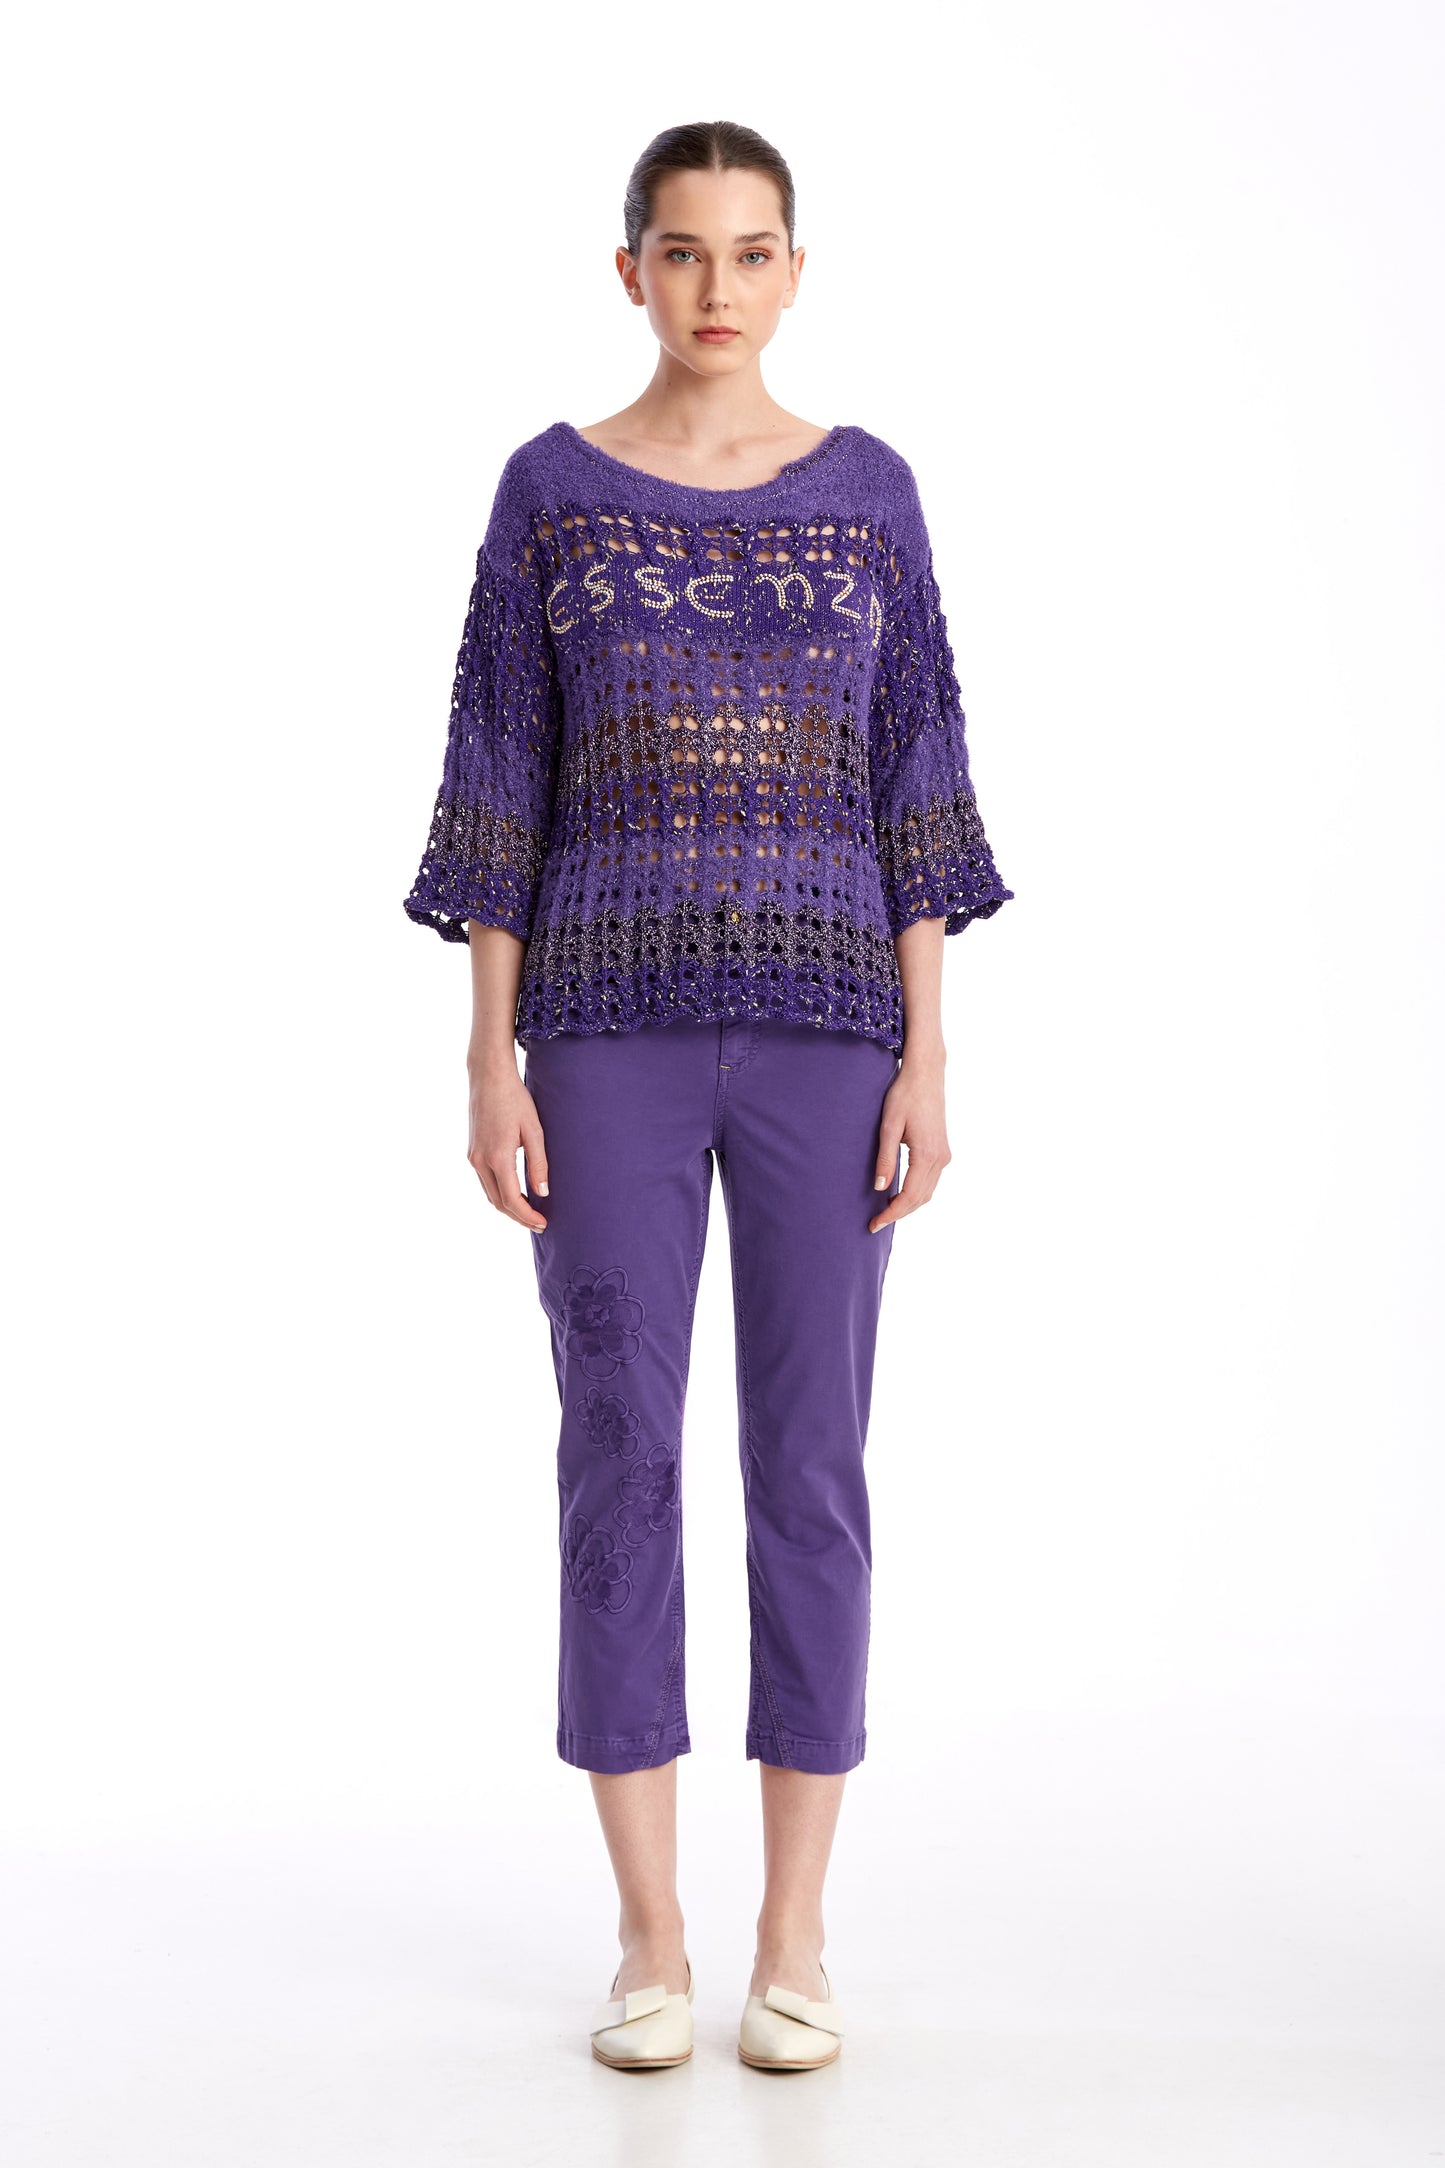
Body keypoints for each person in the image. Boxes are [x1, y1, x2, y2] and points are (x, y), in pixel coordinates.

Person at [401, 119, 1015, 2072]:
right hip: (602, 1033)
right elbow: (498, 778)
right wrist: (487, 1056)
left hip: (834, 1033)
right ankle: (651, 1935)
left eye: (752, 253)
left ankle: (797, 1933)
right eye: (683, 252)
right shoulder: (553, 495)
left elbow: (918, 779)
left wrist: (930, 1050)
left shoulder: (868, 495)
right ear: (631, 271)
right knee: (617, 1460)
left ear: (795, 272)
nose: (717, 288)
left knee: (811, 1465)